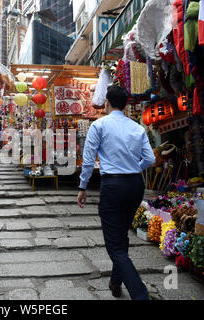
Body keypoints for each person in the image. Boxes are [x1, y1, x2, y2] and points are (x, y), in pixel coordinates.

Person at [77, 85, 156, 300]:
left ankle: (140, 295)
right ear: (127, 104)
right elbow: (150, 159)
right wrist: (132, 168)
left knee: (115, 246)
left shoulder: (99, 125)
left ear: (107, 103)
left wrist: (83, 187)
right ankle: (115, 281)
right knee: (121, 234)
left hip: (113, 186)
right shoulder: (137, 127)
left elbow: (88, 158)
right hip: (135, 185)